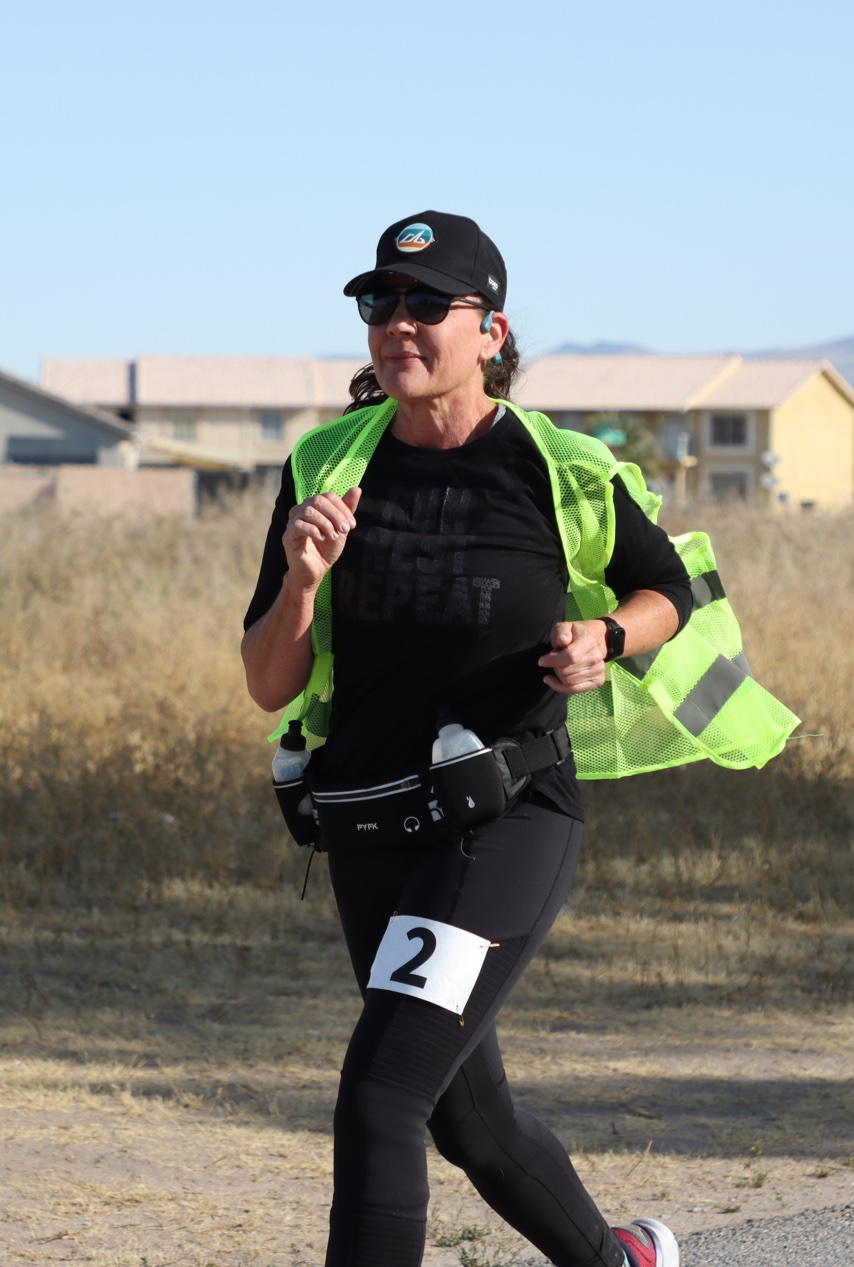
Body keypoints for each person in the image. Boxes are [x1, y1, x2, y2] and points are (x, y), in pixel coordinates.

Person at [241, 213, 699, 1267]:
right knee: (464, 1116)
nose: (396, 322)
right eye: (379, 302)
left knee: (382, 1092)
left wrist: (607, 637)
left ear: (490, 330)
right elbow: (268, 679)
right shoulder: (325, 464)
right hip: (369, 827)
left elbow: (668, 590)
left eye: (425, 303)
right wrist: (302, 581)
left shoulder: (558, 465)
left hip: (504, 819)